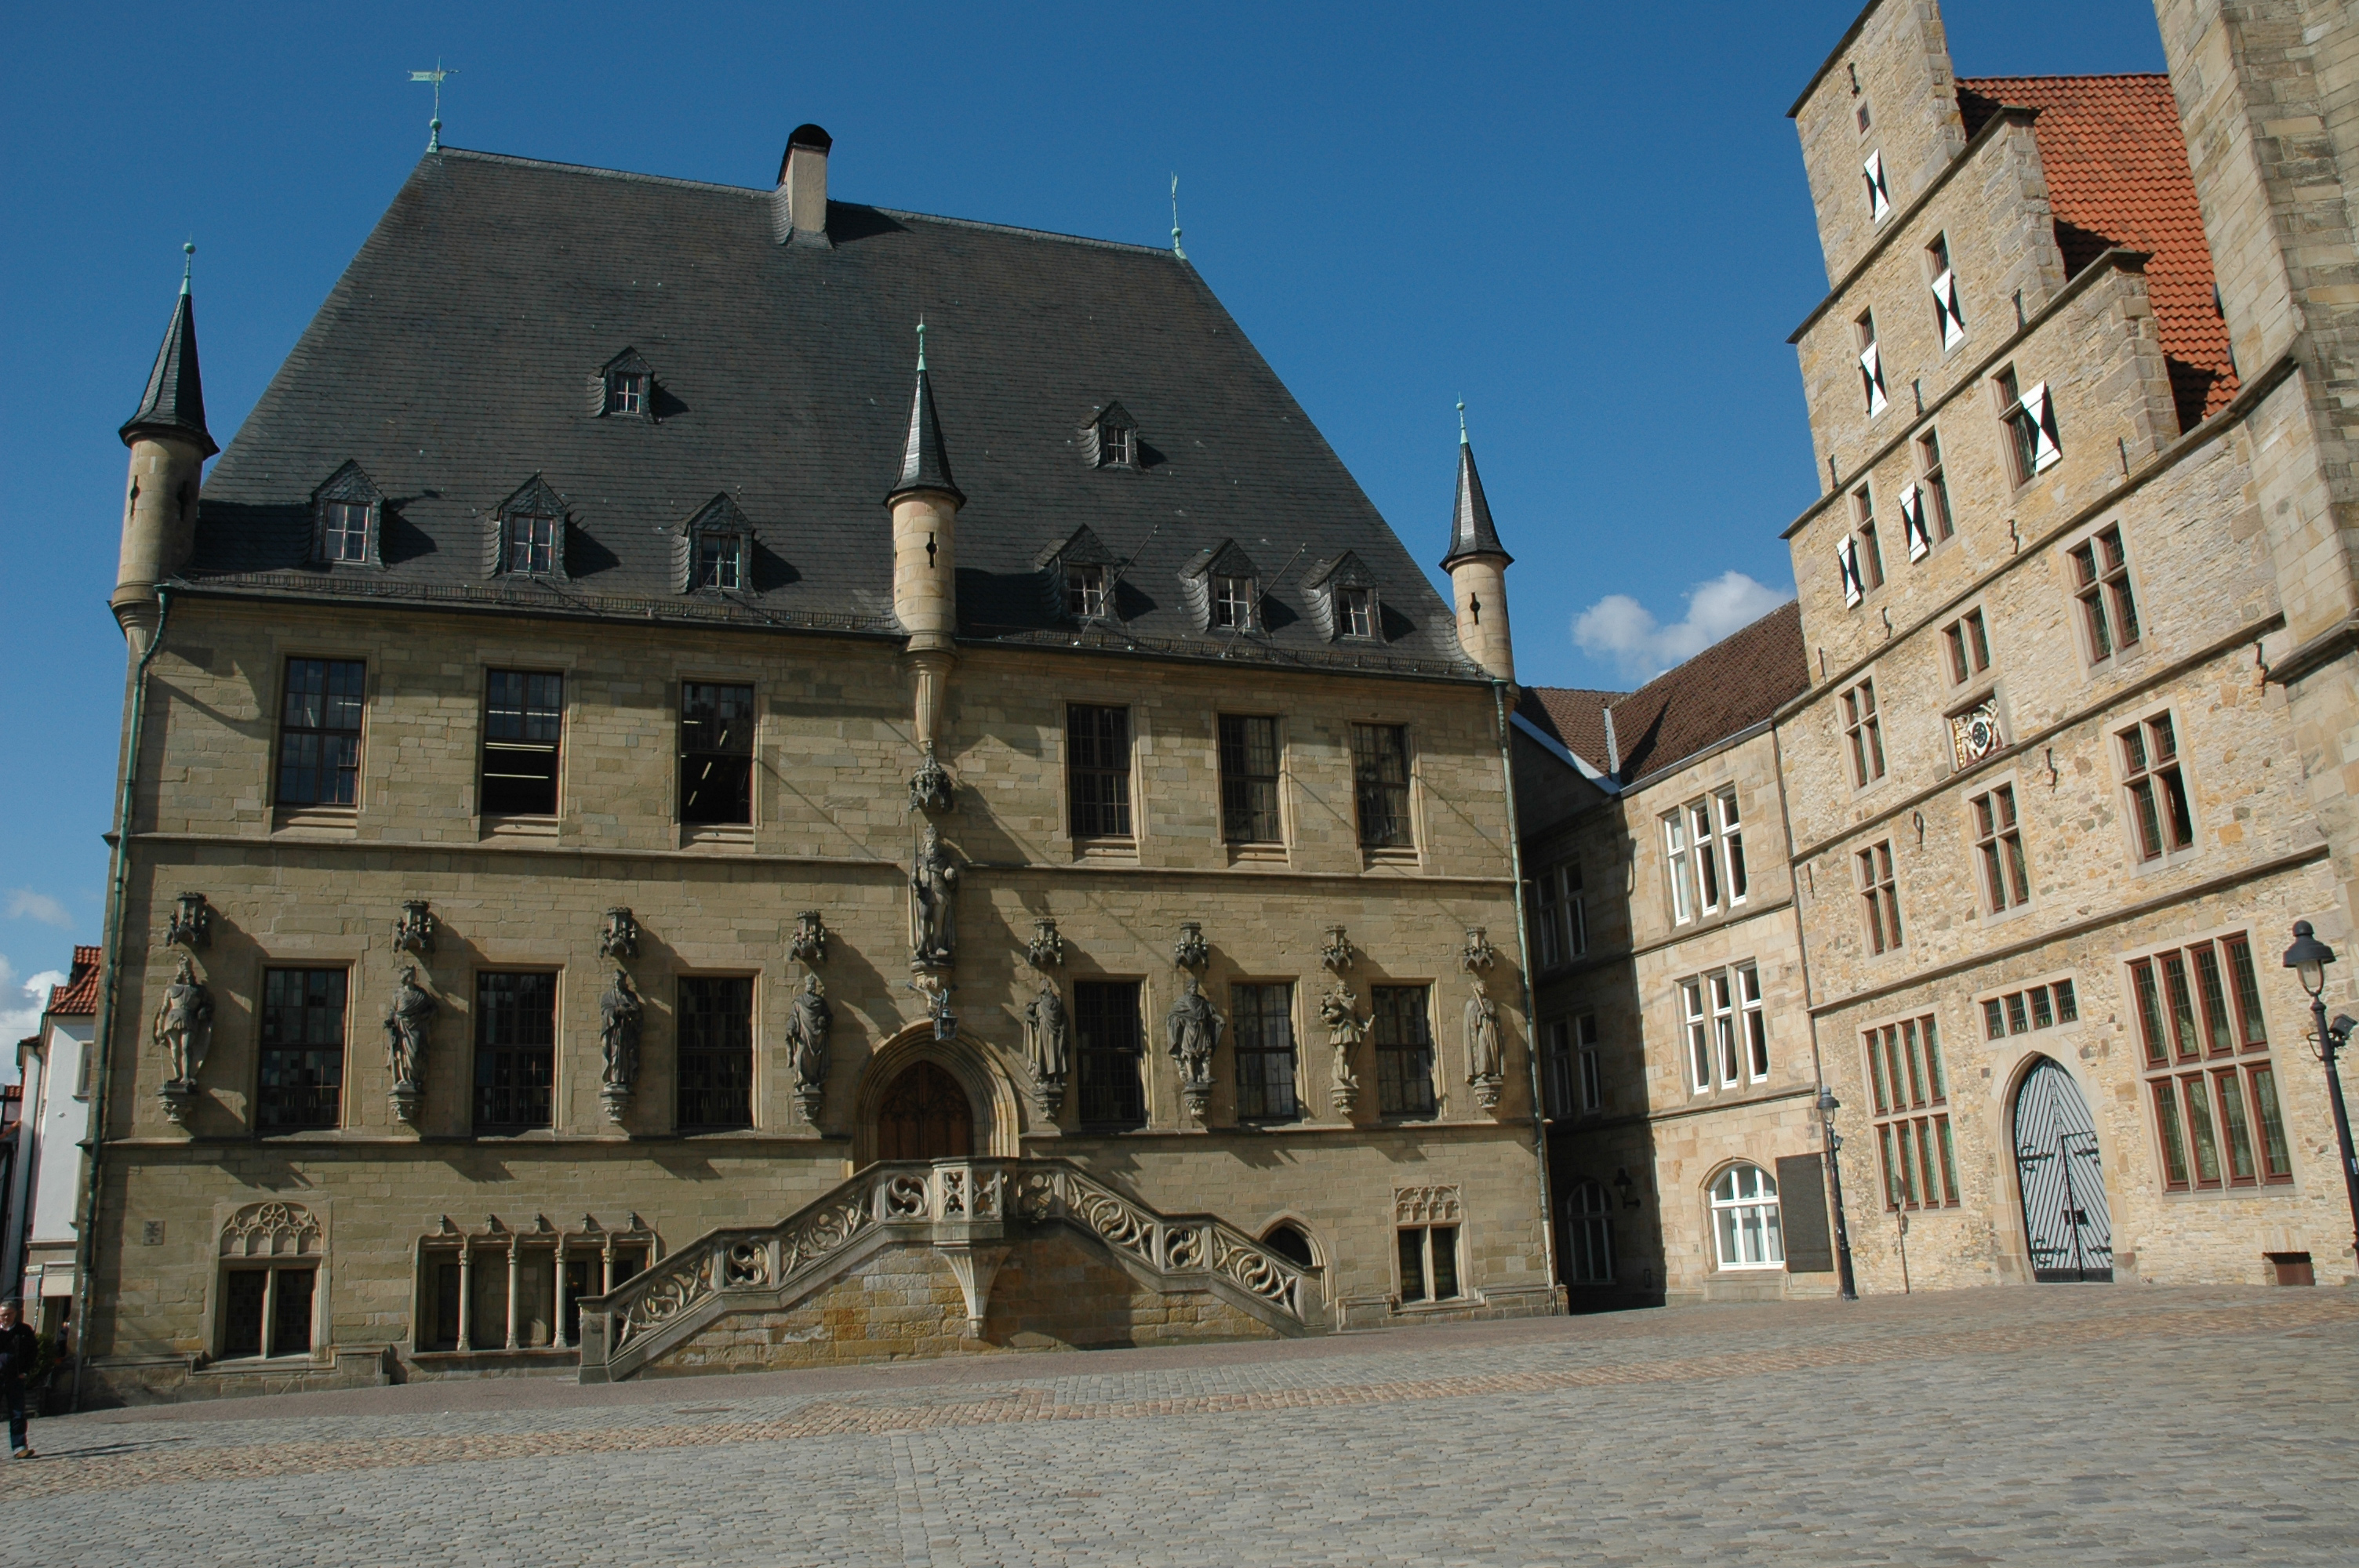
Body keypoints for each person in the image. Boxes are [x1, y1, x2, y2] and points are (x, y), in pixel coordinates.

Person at [0, 1300, 38, 1460]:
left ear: (15, 1314)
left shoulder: (24, 1331)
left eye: (9, 1314)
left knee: (17, 1413)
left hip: (15, 1378)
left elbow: (32, 1353)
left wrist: (25, 1371)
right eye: (2, 1315)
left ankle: (19, 1446)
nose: (6, 1318)